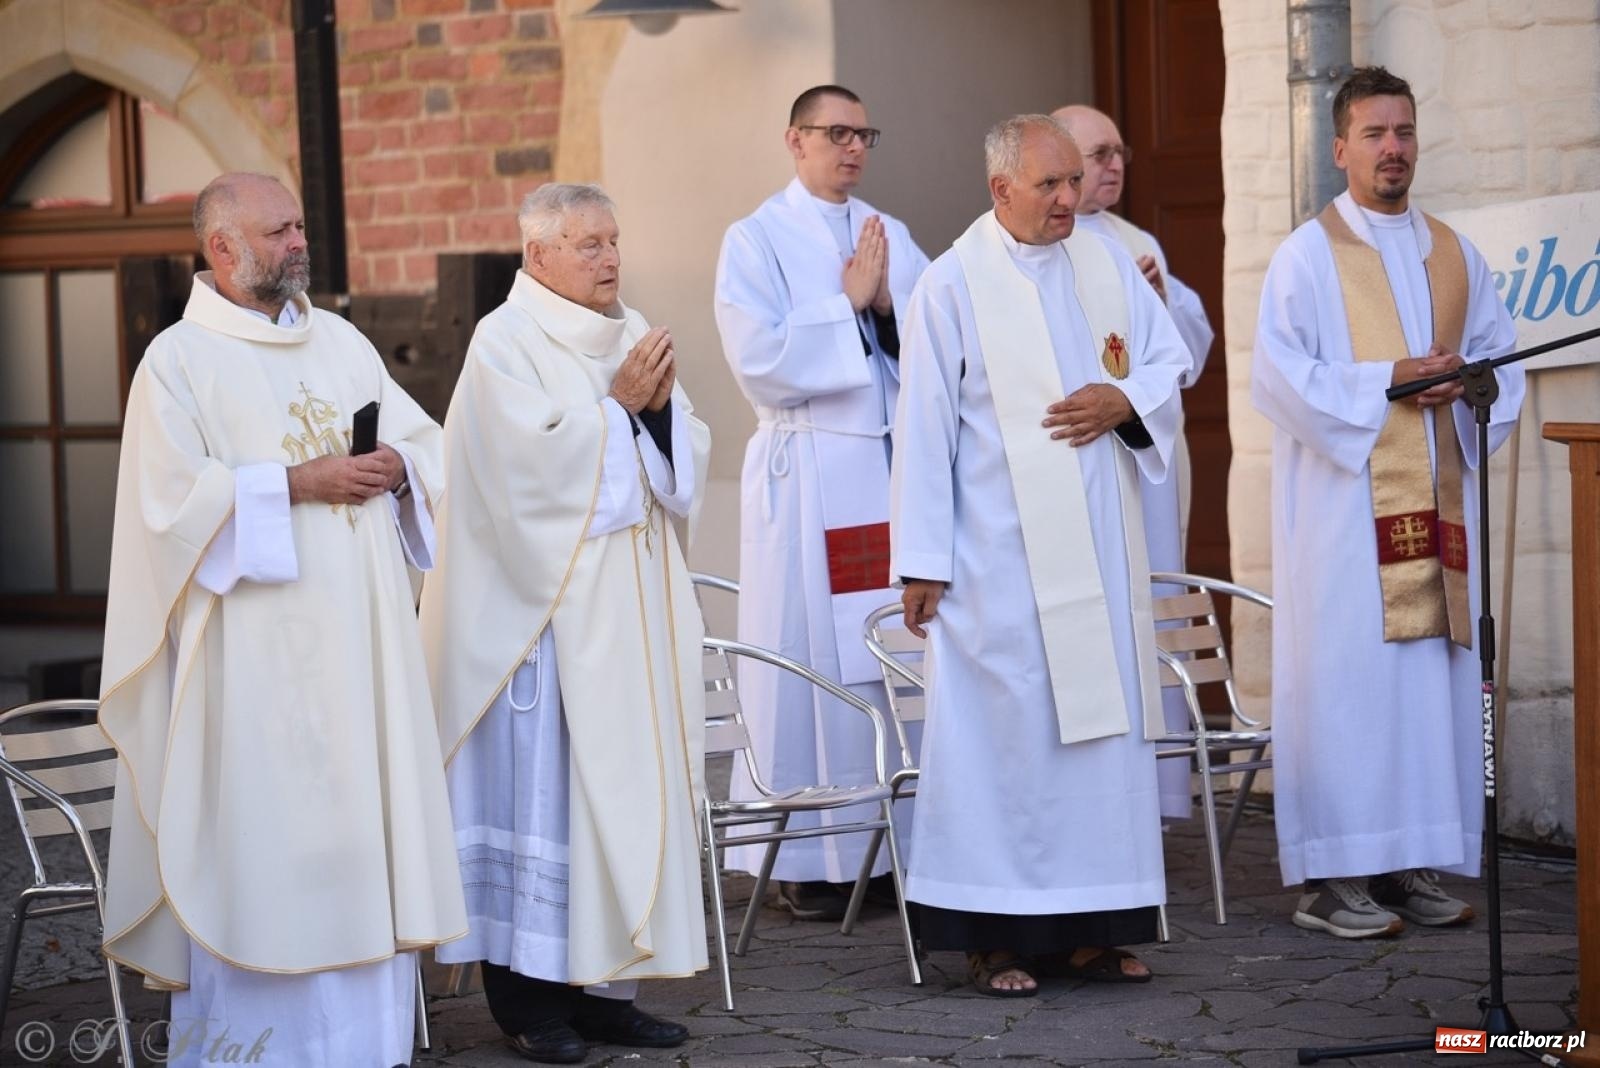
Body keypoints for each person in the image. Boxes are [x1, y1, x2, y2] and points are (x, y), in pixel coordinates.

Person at [98, 172, 467, 1067]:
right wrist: (299, 483)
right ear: (222, 250)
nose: (300, 241)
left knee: (357, 847)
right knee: (263, 851)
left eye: (300, 224)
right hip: (253, 664)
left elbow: (423, 440)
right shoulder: (177, 362)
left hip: (362, 651)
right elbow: (167, 509)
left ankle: (368, 1051)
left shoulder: (339, 340)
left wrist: (397, 467)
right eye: (279, 231)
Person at [890, 115, 1189, 996]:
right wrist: (922, 560)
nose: (1070, 200)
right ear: (1001, 191)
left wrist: (1121, 400)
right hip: (995, 563)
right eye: (1050, 186)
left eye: (1073, 182)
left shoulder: (1104, 265)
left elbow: (1166, 364)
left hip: (1096, 553)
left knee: (1099, 744)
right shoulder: (950, 287)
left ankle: (1094, 930)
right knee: (1009, 746)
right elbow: (924, 428)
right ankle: (998, 940)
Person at [419, 183, 711, 1064]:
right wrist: (619, 411)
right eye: (587, 244)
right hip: (540, 627)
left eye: (613, 240)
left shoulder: (632, 329)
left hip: (629, 618)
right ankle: (529, 1004)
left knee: (609, 806)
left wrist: (654, 414)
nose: (609, 258)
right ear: (537, 255)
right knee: (542, 809)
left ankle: (606, 993)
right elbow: (520, 478)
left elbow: (685, 445)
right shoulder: (502, 344)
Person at [1252, 66, 1525, 938]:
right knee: (1350, 689)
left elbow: (1501, 360)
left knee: (1420, 691)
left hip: (1434, 512)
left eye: (1404, 131)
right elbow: (1281, 378)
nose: (1393, 148)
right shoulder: (1306, 256)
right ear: (1341, 149)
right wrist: (1388, 381)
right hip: (1343, 525)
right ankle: (1334, 877)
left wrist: (1468, 385)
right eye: (1374, 134)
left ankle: (1407, 860)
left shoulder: (1453, 250)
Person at [714, 84, 930, 920]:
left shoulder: (893, 235)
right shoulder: (755, 238)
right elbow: (758, 356)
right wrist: (843, 303)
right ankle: (808, 857)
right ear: (794, 141)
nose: (852, 148)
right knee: (806, 661)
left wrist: (887, 302)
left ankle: (892, 848)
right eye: (835, 133)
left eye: (863, 133)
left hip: (880, 471)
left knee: (888, 658)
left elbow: (939, 339)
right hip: (806, 477)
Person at [1053, 103, 1218, 821]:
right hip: (1076, 459)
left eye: (1120, 151)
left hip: (1141, 462)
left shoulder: (1135, 240)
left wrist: (1156, 308)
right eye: (1098, 153)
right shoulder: (1033, 239)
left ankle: (1153, 798)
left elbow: (1190, 353)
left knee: (1147, 611)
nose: (1115, 164)